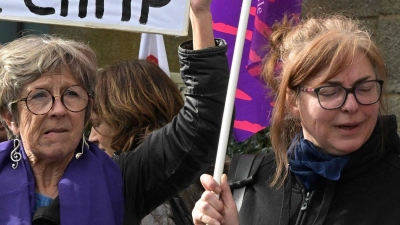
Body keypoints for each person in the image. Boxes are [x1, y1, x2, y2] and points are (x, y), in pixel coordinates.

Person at [0, 0, 230, 224]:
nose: (58, 110)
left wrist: (199, 15)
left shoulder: (120, 180)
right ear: (11, 118)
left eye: (72, 94)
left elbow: (201, 123)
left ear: (87, 110)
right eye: (39, 96)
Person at [192, 14, 400, 225]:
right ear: (293, 101)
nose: (351, 105)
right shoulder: (246, 184)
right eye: (329, 91)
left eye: (364, 88)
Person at [89, 59, 191, 224]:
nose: (91, 138)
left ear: (128, 119)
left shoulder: (135, 190)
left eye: (97, 123)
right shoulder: (201, 176)